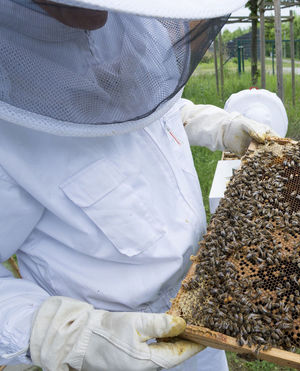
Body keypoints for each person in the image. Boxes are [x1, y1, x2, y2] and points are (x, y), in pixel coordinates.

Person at [0, 1, 277, 370]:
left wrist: (213, 124)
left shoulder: (129, 27)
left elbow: (146, 107)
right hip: (114, 350)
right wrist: (59, 333)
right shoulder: (11, 112)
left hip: (206, 304)